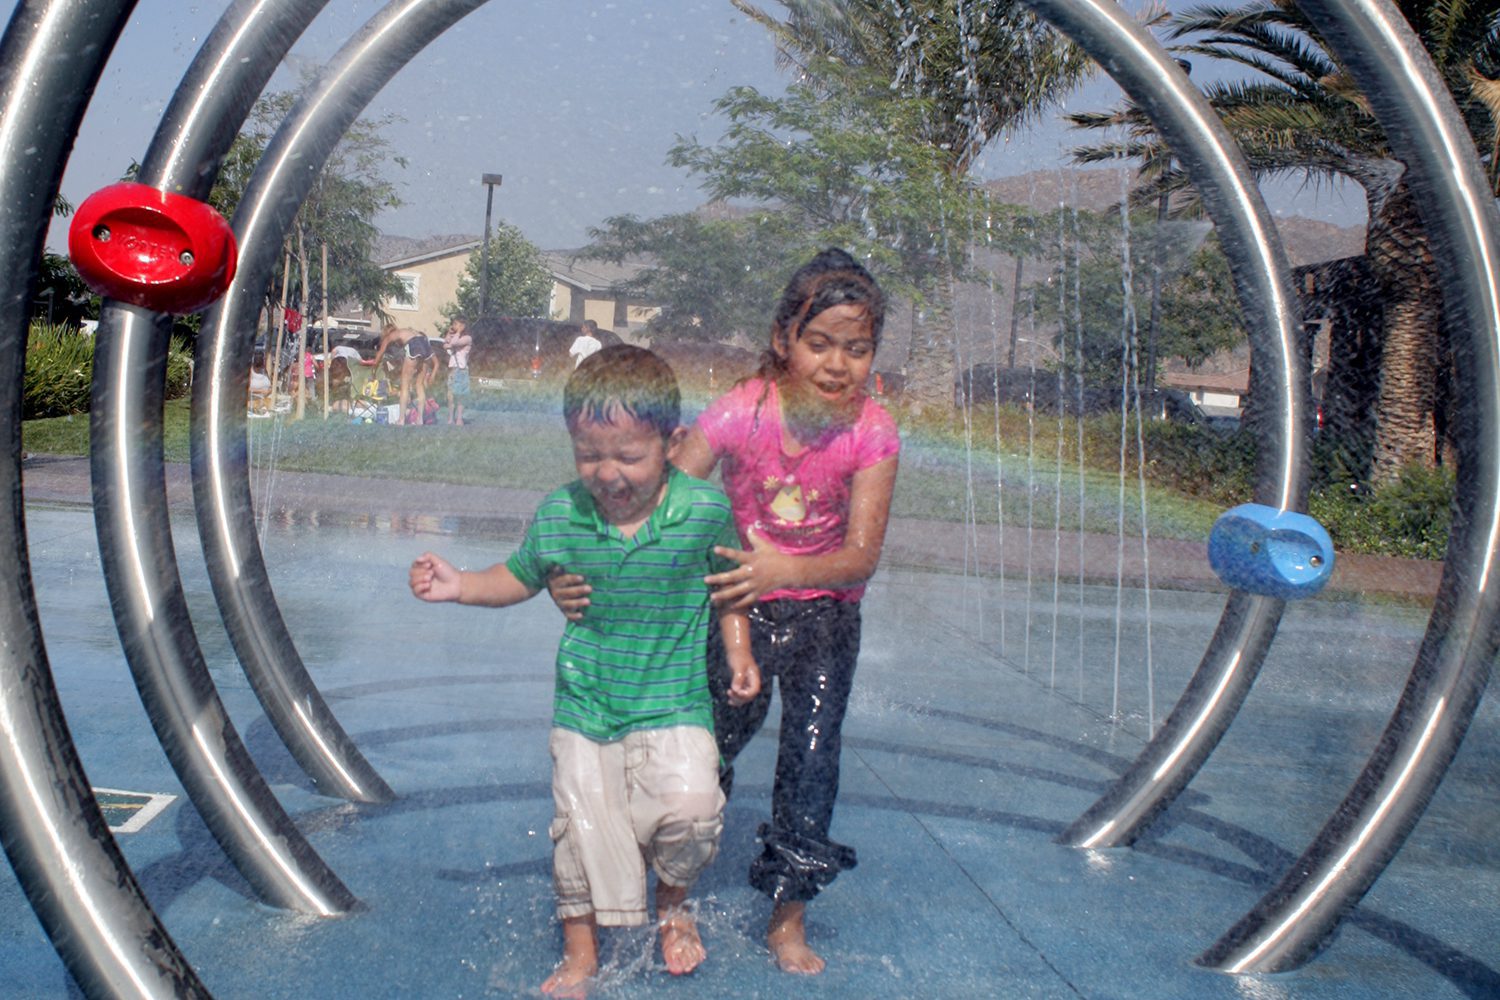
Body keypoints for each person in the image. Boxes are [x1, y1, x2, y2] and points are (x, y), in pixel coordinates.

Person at [549, 248, 899, 976]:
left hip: (826, 622)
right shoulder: (745, 410)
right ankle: (672, 899)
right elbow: (660, 498)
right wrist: (578, 569)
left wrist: (785, 567)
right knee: (704, 758)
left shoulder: (872, 432)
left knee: (810, 763)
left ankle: (788, 919)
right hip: (735, 610)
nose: (837, 365)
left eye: (857, 349)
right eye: (820, 343)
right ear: (784, 341)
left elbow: (861, 556)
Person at [410, 345, 762, 997]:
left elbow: (729, 586)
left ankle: (672, 903)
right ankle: (580, 953)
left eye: (628, 456)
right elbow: (517, 577)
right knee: (581, 830)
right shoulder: (561, 514)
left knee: (692, 812)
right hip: (587, 707)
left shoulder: (703, 512)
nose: (607, 473)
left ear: (672, 442)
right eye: (589, 454)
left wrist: (739, 654)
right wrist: (461, 584)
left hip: (675, 702)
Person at [370, 324, 434, 425]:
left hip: (414, 344)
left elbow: (380, 353)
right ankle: (420, 419)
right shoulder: (405, 332)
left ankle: (401, 419)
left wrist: (373, 370)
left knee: (405, 385)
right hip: (424, 342)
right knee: (420, 385)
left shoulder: (390, 336)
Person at [443, 316, 473, 425]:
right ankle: (451, 417)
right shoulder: (454, 336)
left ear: (463, 326)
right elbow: (445, 343)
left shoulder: (467, 338)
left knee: (460, 395)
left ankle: (459, 418)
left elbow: (454, 343)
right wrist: (449, 332)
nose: (454, 326)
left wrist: (458, 333)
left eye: (456, 324)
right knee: (450, 395)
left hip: (461, 370)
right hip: (452, 369)